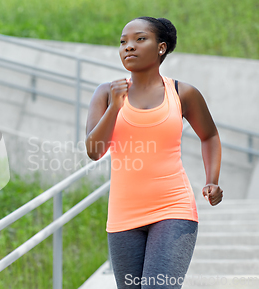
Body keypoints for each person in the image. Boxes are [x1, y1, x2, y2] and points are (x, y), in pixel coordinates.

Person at [84, 17, 223, 289]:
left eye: (139, 39)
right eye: (123, 42)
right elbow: (94, 151)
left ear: (161, 48)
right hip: (123, 215)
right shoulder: (105, 93)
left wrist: (212, 179)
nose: (128, 47)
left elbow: (210, 136)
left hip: (173, 208)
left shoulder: (182, 93)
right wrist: (115, 106)